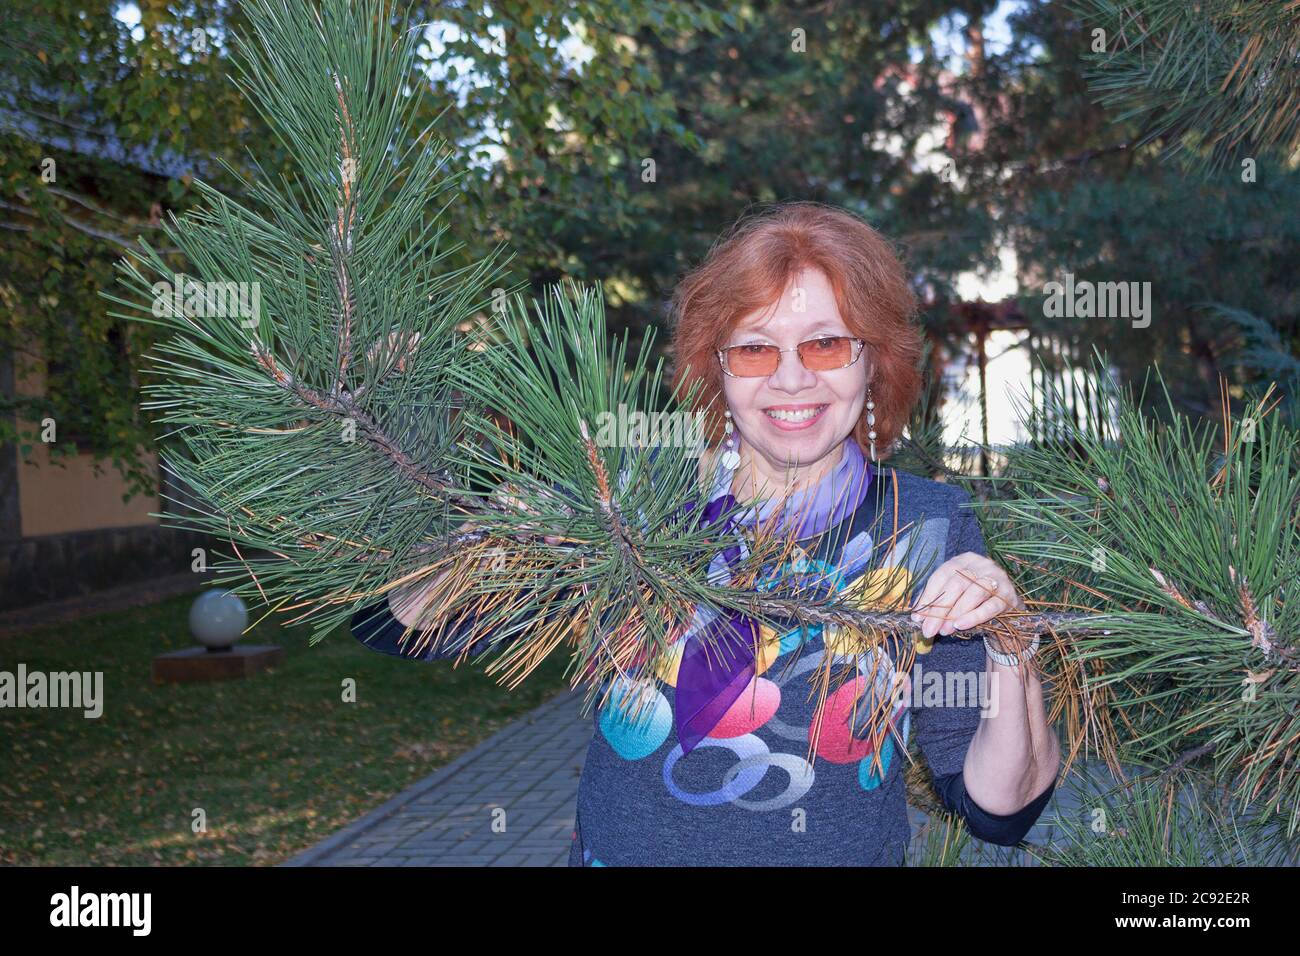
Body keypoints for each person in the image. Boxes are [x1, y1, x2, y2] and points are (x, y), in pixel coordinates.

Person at [352, 201, 1060, 866]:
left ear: (873, 362)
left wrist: (1010, 640)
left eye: (825, 344)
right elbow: (399, 627)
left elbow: (999, 811)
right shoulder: (630, 496)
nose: (790, 380)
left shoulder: (927, 524)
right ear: (716, 370)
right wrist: (493, 533)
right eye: (754, 349)